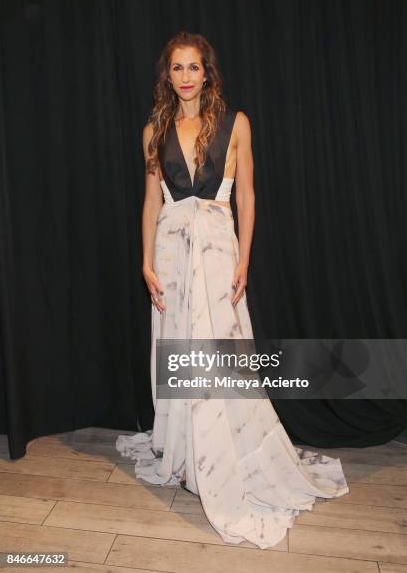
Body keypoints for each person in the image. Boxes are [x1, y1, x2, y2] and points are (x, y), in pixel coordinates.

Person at [116, 30, 349, 549]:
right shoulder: (154, 128)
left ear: (207, 72)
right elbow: (151, 201)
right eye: (176, 68)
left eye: (193, 67)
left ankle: (225, 457)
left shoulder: (236, 123)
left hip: (219, 249)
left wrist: (244, 259)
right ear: (167, 75)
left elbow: (245, 193)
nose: (185, 76)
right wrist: (146, 262)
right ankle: (183, 457)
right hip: (173, 254)